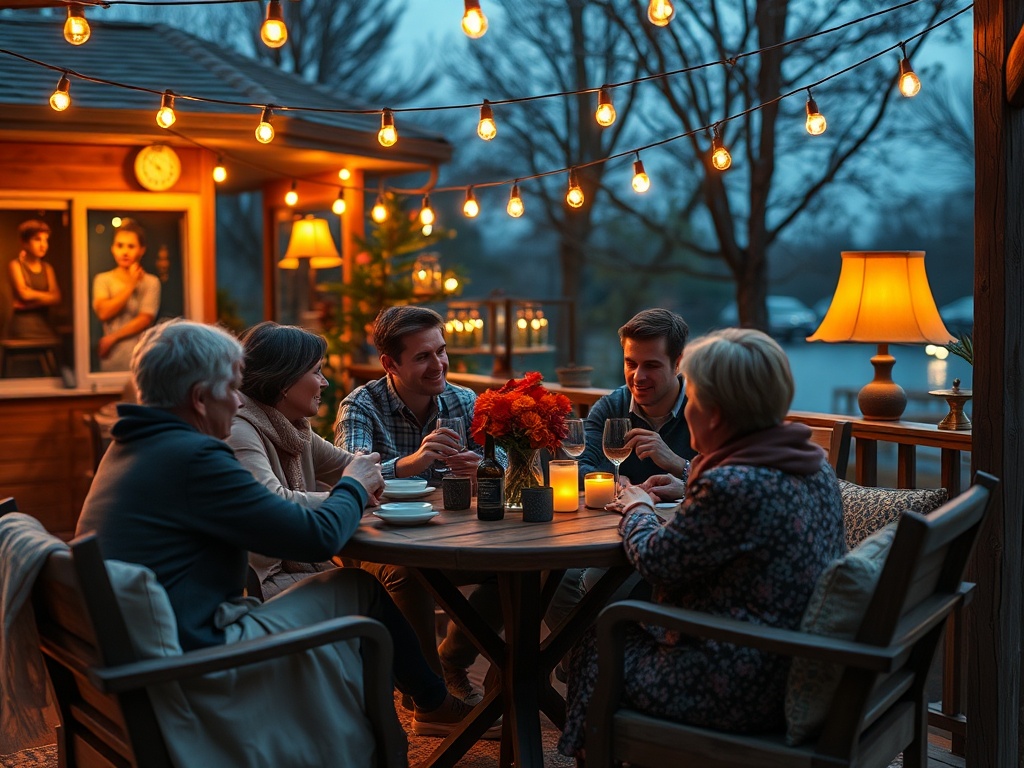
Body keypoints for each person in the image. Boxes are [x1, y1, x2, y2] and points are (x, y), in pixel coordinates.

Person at [76, 318, 486, 739]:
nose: (239, 401)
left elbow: (331, 483)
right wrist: (352, 487)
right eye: (231, 388)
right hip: (193, 653)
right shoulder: (196, 458)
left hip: (144, 647)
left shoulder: (138, 444)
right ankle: (387, 727)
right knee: (359, 591)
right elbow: (316, 537)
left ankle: (425, 703)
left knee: (357, 587)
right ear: (199, 398)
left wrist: (360, 479)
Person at [557, 328, 845, 759]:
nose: (687, 409)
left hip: (736, 683)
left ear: (715, 413)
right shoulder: (813, 465)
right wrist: (688, 480)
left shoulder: (732, 485)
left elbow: (656, 561)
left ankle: (597, 751)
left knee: (598, 639)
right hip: (788, 663)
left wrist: (637, 507)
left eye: (693, 399)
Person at [334, 305, 502, 705]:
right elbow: (351, 472)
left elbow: (505, 461)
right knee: (407, 573)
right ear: (389, 364)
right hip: (380, 542)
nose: (438, 364)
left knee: (525, 566)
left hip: (450, 536)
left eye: (441, 351)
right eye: (423, 356)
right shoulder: (361, 406)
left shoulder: (463, 400)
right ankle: (429, 697)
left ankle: (456, 661)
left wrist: (485, 467)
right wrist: (414, 462)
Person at [547, 308, 698, 630]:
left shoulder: (703, 408)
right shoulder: (612, 406)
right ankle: (584, 657)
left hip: (676, 547)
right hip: (609, 536)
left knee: (588, 582)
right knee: (550, 578)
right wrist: (613, 483)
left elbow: (729, 476)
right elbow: (576, 463)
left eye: (651, 365)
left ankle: (600, 657)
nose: (638, 377)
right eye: (631, 363)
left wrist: (678, 464)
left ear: (678, 362)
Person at [227, 321, 356, 599]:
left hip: (294, 570)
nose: (324, 382)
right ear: (285, 381)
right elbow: (272, 502)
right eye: (317, 371)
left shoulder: (294, 428)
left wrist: (413, 464)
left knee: (379, 578)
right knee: (366, 586)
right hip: (260, 585)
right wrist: (353, 492)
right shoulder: (239, 429)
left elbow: (351, 467)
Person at [91, 218, 160, 371]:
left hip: (140, 354)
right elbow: (103, 312)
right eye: (120, 245)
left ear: (141, 250)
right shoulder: (103, 279)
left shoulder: (151, 282)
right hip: (111, 357)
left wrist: (113, 337)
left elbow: (145, 319)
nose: (125, 252)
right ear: (112, 248)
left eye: (131, 246)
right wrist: (131, 285)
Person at [7, 219, 61, 344]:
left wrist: (29, 304)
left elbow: (56, 297)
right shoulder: (16, 265)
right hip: (22, 330)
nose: (43, 245)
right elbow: (24, 294)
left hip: (46, 328)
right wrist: (46, 297)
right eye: (37, 239)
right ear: (24, 242)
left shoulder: (47, 268)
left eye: (45, 240)